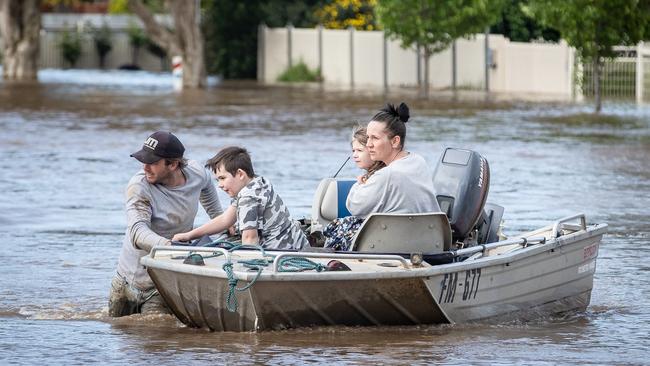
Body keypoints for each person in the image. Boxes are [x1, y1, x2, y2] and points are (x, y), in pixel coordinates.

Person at [109, 131, 223, 317]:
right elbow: (137, 232)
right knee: (120, 336)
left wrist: (220, 219)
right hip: (125, 282)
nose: (145, 167)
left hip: (162, 286)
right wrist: (171, 247)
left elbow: (207, 184)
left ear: (173, 164)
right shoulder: (139, 187)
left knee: (159, 340)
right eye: (143, 160)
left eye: (152, 162)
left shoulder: (196, 173)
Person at [172, 146, 310, 250]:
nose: (219, 185)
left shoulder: (248, 198)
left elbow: (250, 240)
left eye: (222, 178)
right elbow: (226, 220)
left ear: (240, 174)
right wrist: (189, 235)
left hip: (283, 254)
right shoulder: (258, 183)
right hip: (300, 246)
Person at [346, 102, 441, 216]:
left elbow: (354, 207)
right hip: (429, 230)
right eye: (368, 138)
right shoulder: (419, 161)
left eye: (375, 138)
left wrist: (360, 184)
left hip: (394, 232)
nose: (369, 144)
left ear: (395, 141)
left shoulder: (385, 175)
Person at [323, 126, 385, 250]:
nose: (354, 156)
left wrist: (358, 186)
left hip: (375, 235)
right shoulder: (378, 175)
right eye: (353, 151)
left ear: (373, 150)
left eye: (360, 151)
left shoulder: (378, 178)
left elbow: (355, 209)